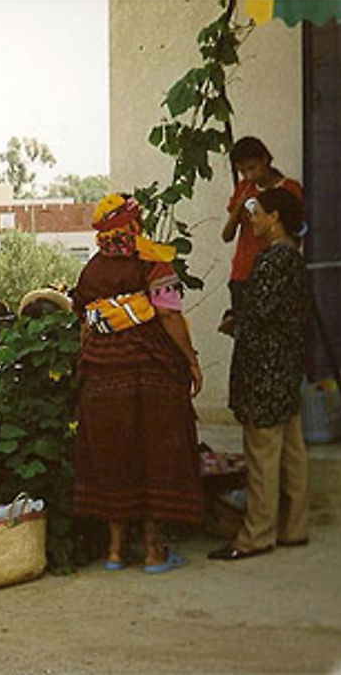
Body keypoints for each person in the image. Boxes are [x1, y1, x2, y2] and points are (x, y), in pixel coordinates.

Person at [71, 193, 204, 574]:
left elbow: (84, 322)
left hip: (102, 376)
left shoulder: (91, 271)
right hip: (151, 374)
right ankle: (152, 552)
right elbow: (168, 314)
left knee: (114, 456)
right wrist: (191, 360)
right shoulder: (155, 264)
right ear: (133, 224)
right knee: (155, 457)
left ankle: (114, 552)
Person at [209, 188, 311, 561]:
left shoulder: (272, 260)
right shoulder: (294, 258)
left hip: (265, 371)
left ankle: (256, 536)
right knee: (292, 452)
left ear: (274, 218)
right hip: (286, 368)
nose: (251, 221)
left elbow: (259, 315)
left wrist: (234, 323)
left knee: (263, 455)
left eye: (257, 214)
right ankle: (293, 527)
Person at [220, 137, 304, 334]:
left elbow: (298, 230)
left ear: (265, 160)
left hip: (274, 268)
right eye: (242, 171)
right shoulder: (244, 189)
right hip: (244, 270)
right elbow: (227, 235)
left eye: (252, 168)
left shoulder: (289, 189)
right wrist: (239, 205)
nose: (249, 176)